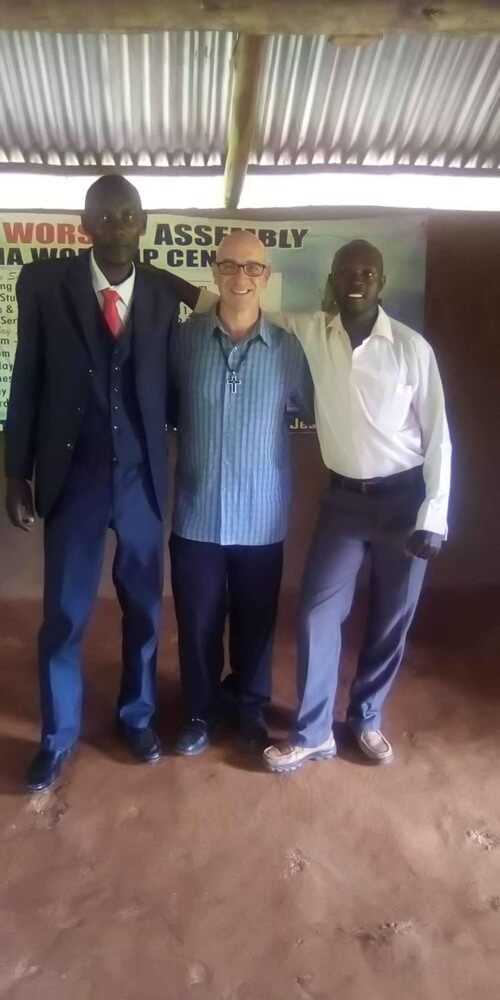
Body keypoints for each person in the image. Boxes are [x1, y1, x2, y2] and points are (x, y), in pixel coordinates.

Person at [4, 174, 190, 792]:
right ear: (84, 225)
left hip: (141, 481)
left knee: (144, 609)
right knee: (63, 614)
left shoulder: (163, 295)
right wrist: (16, 472)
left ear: (144, 222)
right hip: (73, 479)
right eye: (104, 216)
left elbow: (176, 386)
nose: (117, 226)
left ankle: (136, 718)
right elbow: (26, 379)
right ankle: (57, 739)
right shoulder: (43, 285)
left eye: (128, 214)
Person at [259, 240, 452, 771]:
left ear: (381, 282)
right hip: (344, 502)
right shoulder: (313, 331)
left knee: (391, 618)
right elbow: (241, 304)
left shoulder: (411, 348)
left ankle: (366, 718)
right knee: (317, 611)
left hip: (405, 503)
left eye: (368, 271)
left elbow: (439, 437)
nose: (357, 278)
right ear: (333, 278)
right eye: (347, 270)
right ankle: (314, 732)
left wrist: (434, 516)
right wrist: (167, 284)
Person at [167, 231, 314, 755]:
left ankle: (250, 706)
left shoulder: (289, 351)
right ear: (214, 271)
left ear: (266, 277)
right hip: (197, 512)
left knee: (256, 622)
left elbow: (313, 409)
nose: (240, 277)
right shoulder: (183, 342)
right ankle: (201, 711)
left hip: (261, 514)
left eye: (252, 268)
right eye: (229, 265)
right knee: (197, 622)